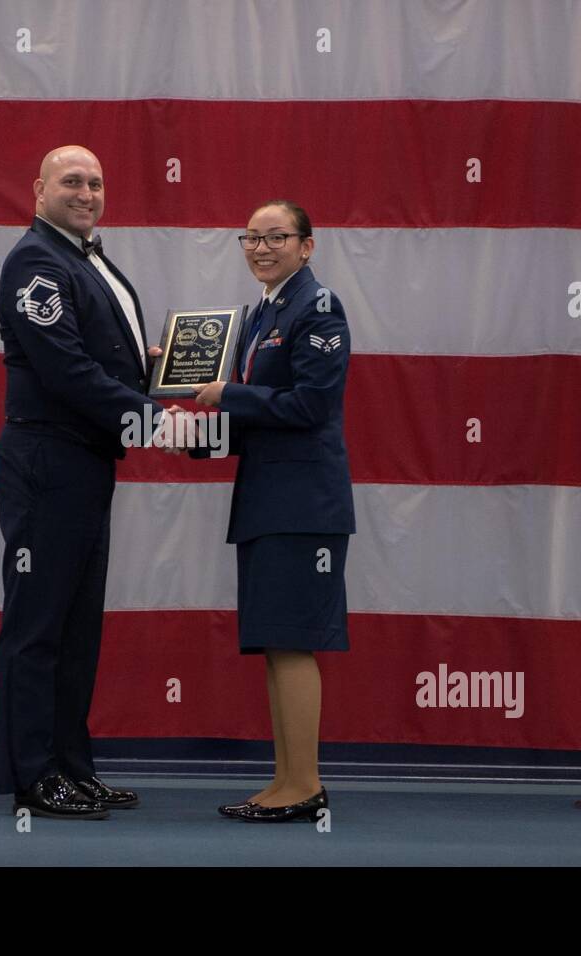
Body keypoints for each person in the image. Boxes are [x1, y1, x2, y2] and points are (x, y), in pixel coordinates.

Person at [0, 145, 187, 819]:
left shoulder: (83, 259)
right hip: (48, 461)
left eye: (96, 181)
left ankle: (71, 767)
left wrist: (152, 367)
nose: (86, 191)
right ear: (38, 190)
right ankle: (33, 775)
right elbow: (66, 371)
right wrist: (154, 418)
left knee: (76, 630)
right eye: (71, 180)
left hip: (84, 461)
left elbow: (99, 357)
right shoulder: (35, 262)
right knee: (38, 625)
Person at [191, 200, 355, 822]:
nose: (261, 248)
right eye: (250, 238)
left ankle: (305, 785)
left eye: (276, 237)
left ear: (307, 246)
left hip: (303, 504)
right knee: (274, 643)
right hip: (267, 499)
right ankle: (287, 777)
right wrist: (197, 437)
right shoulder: (260, 315)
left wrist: (227, 394)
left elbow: (310, 405)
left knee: (293, 642)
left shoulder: (318, 307)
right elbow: (255, 414)